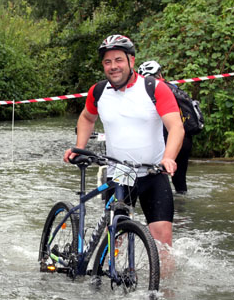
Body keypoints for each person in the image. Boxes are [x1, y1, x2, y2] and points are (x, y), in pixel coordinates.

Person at [63, 35, 184, 248]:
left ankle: (164, 282)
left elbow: (176, 127)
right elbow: (86, 117)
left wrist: (169, 158)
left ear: (131, 61)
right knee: (115, 239)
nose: (113, 67)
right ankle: (108, 275)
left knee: (163, 242)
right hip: (120, 173)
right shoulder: (98, 91)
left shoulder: (154, 88)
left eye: (118, 60)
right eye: (107, 62)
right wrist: (80, 147)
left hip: (153, 172)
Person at [138, 60, 191, 194]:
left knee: (158, 179)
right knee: (180, 181)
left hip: (165, 137)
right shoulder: (174, 87)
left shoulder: (150, 92)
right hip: (185, 137)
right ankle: (182, 208)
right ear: (159, 74)